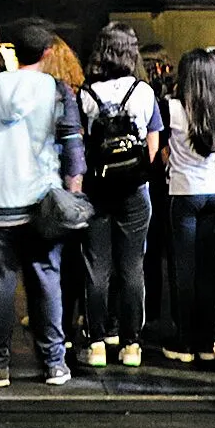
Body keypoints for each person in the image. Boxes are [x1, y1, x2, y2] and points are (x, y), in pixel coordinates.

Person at [0, 19, 86, 386]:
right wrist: (72, 193)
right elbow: (72, 147)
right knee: (46, 279)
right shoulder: (58, 91)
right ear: (47, 53)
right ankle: (54, 362)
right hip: (41, 203)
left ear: (11, 50)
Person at [74, 23, 161, 369]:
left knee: (96, 266)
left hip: (97, 188)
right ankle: (131, 345)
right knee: (132, 266)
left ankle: (96, 343)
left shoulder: (86, 94)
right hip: (134, 191)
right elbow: (153, 147)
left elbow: (80, 145)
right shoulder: (144, 92)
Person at [161, 47, 215, 361]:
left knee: (184, 269)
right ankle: (206, 342)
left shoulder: (171, 108)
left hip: (183, 192)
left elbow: (162, 150)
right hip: (214, 193)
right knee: (207, 269)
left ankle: (184, 341)